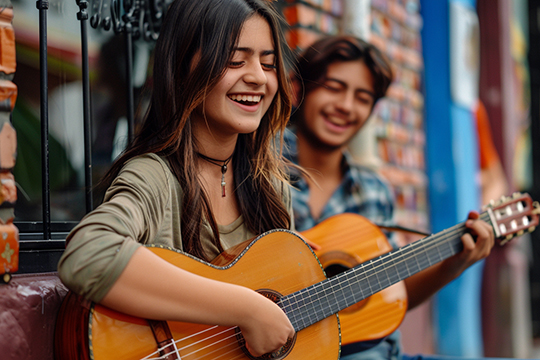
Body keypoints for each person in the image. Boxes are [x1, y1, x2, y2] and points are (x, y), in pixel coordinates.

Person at [57, 0, 297, 357]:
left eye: (269, 64)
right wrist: (247, 308)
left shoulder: (273, 191)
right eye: (235, 60)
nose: (258, 78)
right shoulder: (155, 176)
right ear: (184, 67)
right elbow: (88, 255)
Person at [284, 35, 495, 360]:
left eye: (362, 97)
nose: (345, 106)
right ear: (300, 89)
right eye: (334, 87)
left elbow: (391, 292)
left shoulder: (374, 192)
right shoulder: (257, 167)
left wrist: (455, 264)